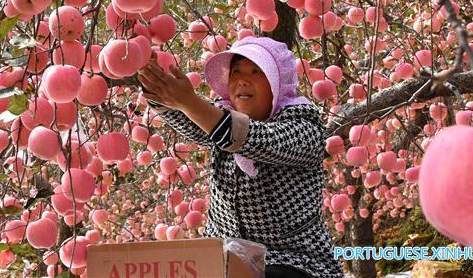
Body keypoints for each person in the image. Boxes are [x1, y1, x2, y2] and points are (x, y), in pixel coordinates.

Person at [138, 36, 345, 278]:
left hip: (293, 261)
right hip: (223, 258)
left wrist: (189, 101)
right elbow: (198, 123)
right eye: (236, 72)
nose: (243, 80)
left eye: (256, 72)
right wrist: (157, 89)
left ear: (276, 83)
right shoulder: (221, 119)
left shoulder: (304, 128)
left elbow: (258, 139)